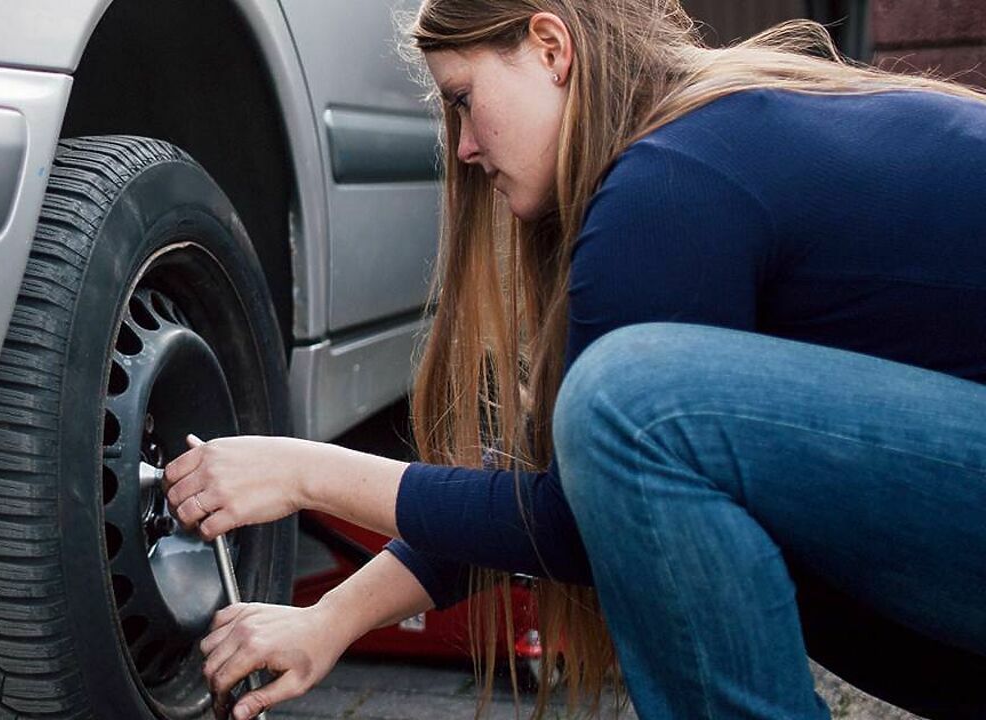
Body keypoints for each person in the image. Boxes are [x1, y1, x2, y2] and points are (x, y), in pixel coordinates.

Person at [160, 1, 986, 718]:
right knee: (623, 425)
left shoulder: (674, 173)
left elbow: (567, 520)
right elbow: (548, 485)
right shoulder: (716, 137)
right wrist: (327, 619)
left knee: (629, 407)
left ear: (552, 49)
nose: (462, 149)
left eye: (463, 101)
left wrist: (304, 472)